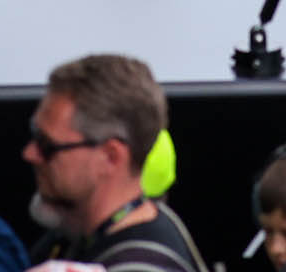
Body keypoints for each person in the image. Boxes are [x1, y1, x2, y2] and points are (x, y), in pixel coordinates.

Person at [16, 53, 208, 272]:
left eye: (47, 145)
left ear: (110, 157)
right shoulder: (81, 234)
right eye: (35, 134)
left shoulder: (144, 266)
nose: (30, 153)